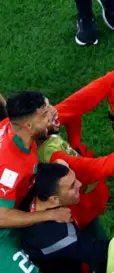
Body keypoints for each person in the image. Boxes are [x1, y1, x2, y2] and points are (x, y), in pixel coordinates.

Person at [0, 91, 72, 273]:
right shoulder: (11, 167)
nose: (52, 113)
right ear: (28, 125)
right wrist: (49, 216)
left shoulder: (12, 128)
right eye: (45, 114)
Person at [20, 163, 109, 273]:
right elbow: (103, 251)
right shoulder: (57, 235)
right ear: (55, 199)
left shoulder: (33, 193)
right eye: (72, 186)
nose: (80, 184)